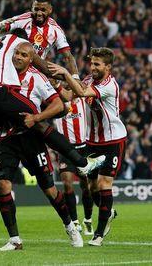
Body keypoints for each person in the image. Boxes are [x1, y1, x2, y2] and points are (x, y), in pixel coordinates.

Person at [0, 29, 104, 184]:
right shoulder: (18, 46)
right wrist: (68, 76)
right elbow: (47, 71)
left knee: (0, 137)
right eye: (19, 53)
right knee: (38, 121)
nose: (18, 56)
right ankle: (82, 163)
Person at [0, 42, 83, 251]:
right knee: (4, 184)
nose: (18, 57)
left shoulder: (38, 78)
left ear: (31, 58)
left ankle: (70, 226)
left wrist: (36, 117)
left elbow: (60, 105)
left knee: (49, 189)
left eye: (23, 55)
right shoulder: (2, 73)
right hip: (7, 137)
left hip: (31, 138)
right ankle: (14, 239)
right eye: (16, 53)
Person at [50, 47, 128, 246]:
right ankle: (108, 212)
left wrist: (66, 73)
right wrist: (55, 85)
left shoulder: (110, 85)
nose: (92, 67)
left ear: (108, 67)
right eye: (91, 63)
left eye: (97, 64)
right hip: (92, 141)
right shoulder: (88, 80)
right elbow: (69, 96)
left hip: (113, 141)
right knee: (92, 186)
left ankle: (99, 235)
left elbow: (82, 93)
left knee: (103, 184)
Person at [53, 94, 94, 235]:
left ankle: (88, 219)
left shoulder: (80, 97)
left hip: (83, 148)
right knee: (67, 184)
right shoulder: (55, 100)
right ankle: (75, 222)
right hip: (65, 149)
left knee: (86, 187)